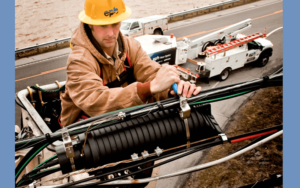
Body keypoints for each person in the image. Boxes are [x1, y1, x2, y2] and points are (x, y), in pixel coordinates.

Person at [60, 0, 201, 127]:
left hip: (122, 121)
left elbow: (151, 73)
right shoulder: (78, 60)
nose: (110, 33)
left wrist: (173, 88)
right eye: (102, 25)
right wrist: (149, 88)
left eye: (115, 24)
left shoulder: (131, 46)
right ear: (90, 24)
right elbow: (96, 102)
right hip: (83, 132)